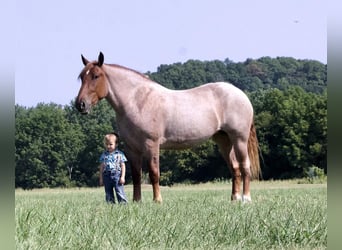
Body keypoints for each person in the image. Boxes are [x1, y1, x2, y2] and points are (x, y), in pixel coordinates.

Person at [99, 132, 128, 204]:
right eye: (106, 144)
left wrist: (122, 177)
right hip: (106, 175)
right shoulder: (104, 155)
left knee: (119, 191)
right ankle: (111, 205)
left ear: (116, 144)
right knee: (108, 192)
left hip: (116, 175)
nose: (108, 146)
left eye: (111, 144)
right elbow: (102, 167)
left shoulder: (119, 154)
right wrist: (101, 178)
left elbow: (123, 165)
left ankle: (123, 205)